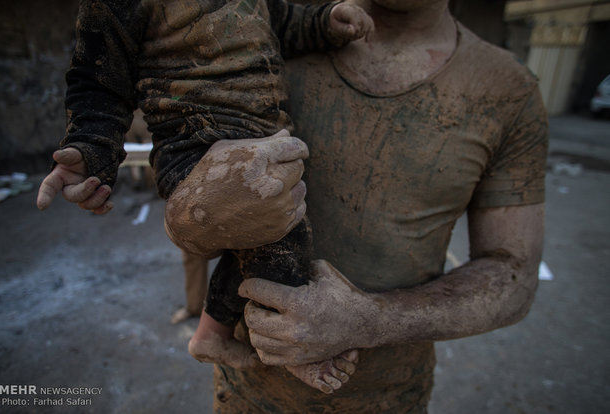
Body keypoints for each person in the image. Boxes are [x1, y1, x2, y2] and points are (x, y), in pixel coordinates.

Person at [163, 0, 549, 412]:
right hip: (246, 395)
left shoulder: (506, 90)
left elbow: (514, 275)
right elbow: (184, 150)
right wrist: (187, 216)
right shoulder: (271, 33)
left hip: (389, 398)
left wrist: (370, 320)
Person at [35, 0, 373, 394]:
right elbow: (98, 77)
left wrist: (326, 21)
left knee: (261, 238)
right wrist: (89, 150)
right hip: (193, 145)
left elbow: (283, 21)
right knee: (283, 240)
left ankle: (210, 334)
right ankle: (294, 350)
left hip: (263, 141)